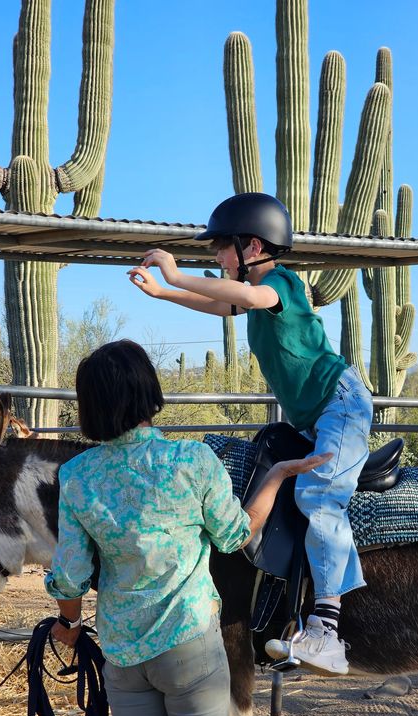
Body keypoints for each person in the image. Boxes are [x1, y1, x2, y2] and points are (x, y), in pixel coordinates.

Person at [45, 338, 328, 716]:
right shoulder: (192, 461)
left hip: (122, 652)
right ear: (147, 392)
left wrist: (69, 623)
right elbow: (237, 535)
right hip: (189, 644)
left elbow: (71, 574)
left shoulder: (77, 475)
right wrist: (275, 477)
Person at [128, 192, 374, 676]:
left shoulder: (278, 284)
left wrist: (175, 274)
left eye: (222, 248)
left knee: (319, 495)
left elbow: (247, 297)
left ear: (253, 246)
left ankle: (326, 630)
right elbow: (224, 306)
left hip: (339, 406)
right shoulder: (253, 296)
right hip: (313, 416)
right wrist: (164, 294)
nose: (217, 257)